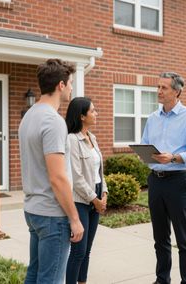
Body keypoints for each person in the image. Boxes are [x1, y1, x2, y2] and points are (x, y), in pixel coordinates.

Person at [18, 59, 84, 284]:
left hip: (33, 210)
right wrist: (74, 218)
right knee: (51, 280)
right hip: (52, 215)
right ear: (61, 85)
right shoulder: (53, 121)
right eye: (71, 83)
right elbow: (57, 177)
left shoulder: (29, 116)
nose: (72, 88)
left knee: (35, 275)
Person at [141, 72, 186, 284]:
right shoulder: (152, 118)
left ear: (177, 91)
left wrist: (174, 158)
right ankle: (162, 279)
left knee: (184, 239)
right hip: (155, 181)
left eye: (164, 88)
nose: (159, 91)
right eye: (158, 87)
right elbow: (145, 145)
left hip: (178, 182)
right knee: (160, 238)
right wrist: (146, 154)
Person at [65, 97, 108, 284]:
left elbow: (100, 171)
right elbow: (75, 177)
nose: (96, 113)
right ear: (82, 116)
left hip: (97, 194)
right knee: (78, 251)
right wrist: (94, 200)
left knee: (87, 250)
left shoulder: (93, 138)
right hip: (81, 200)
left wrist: (104, 194)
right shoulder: (72, 140)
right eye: (93, 111)